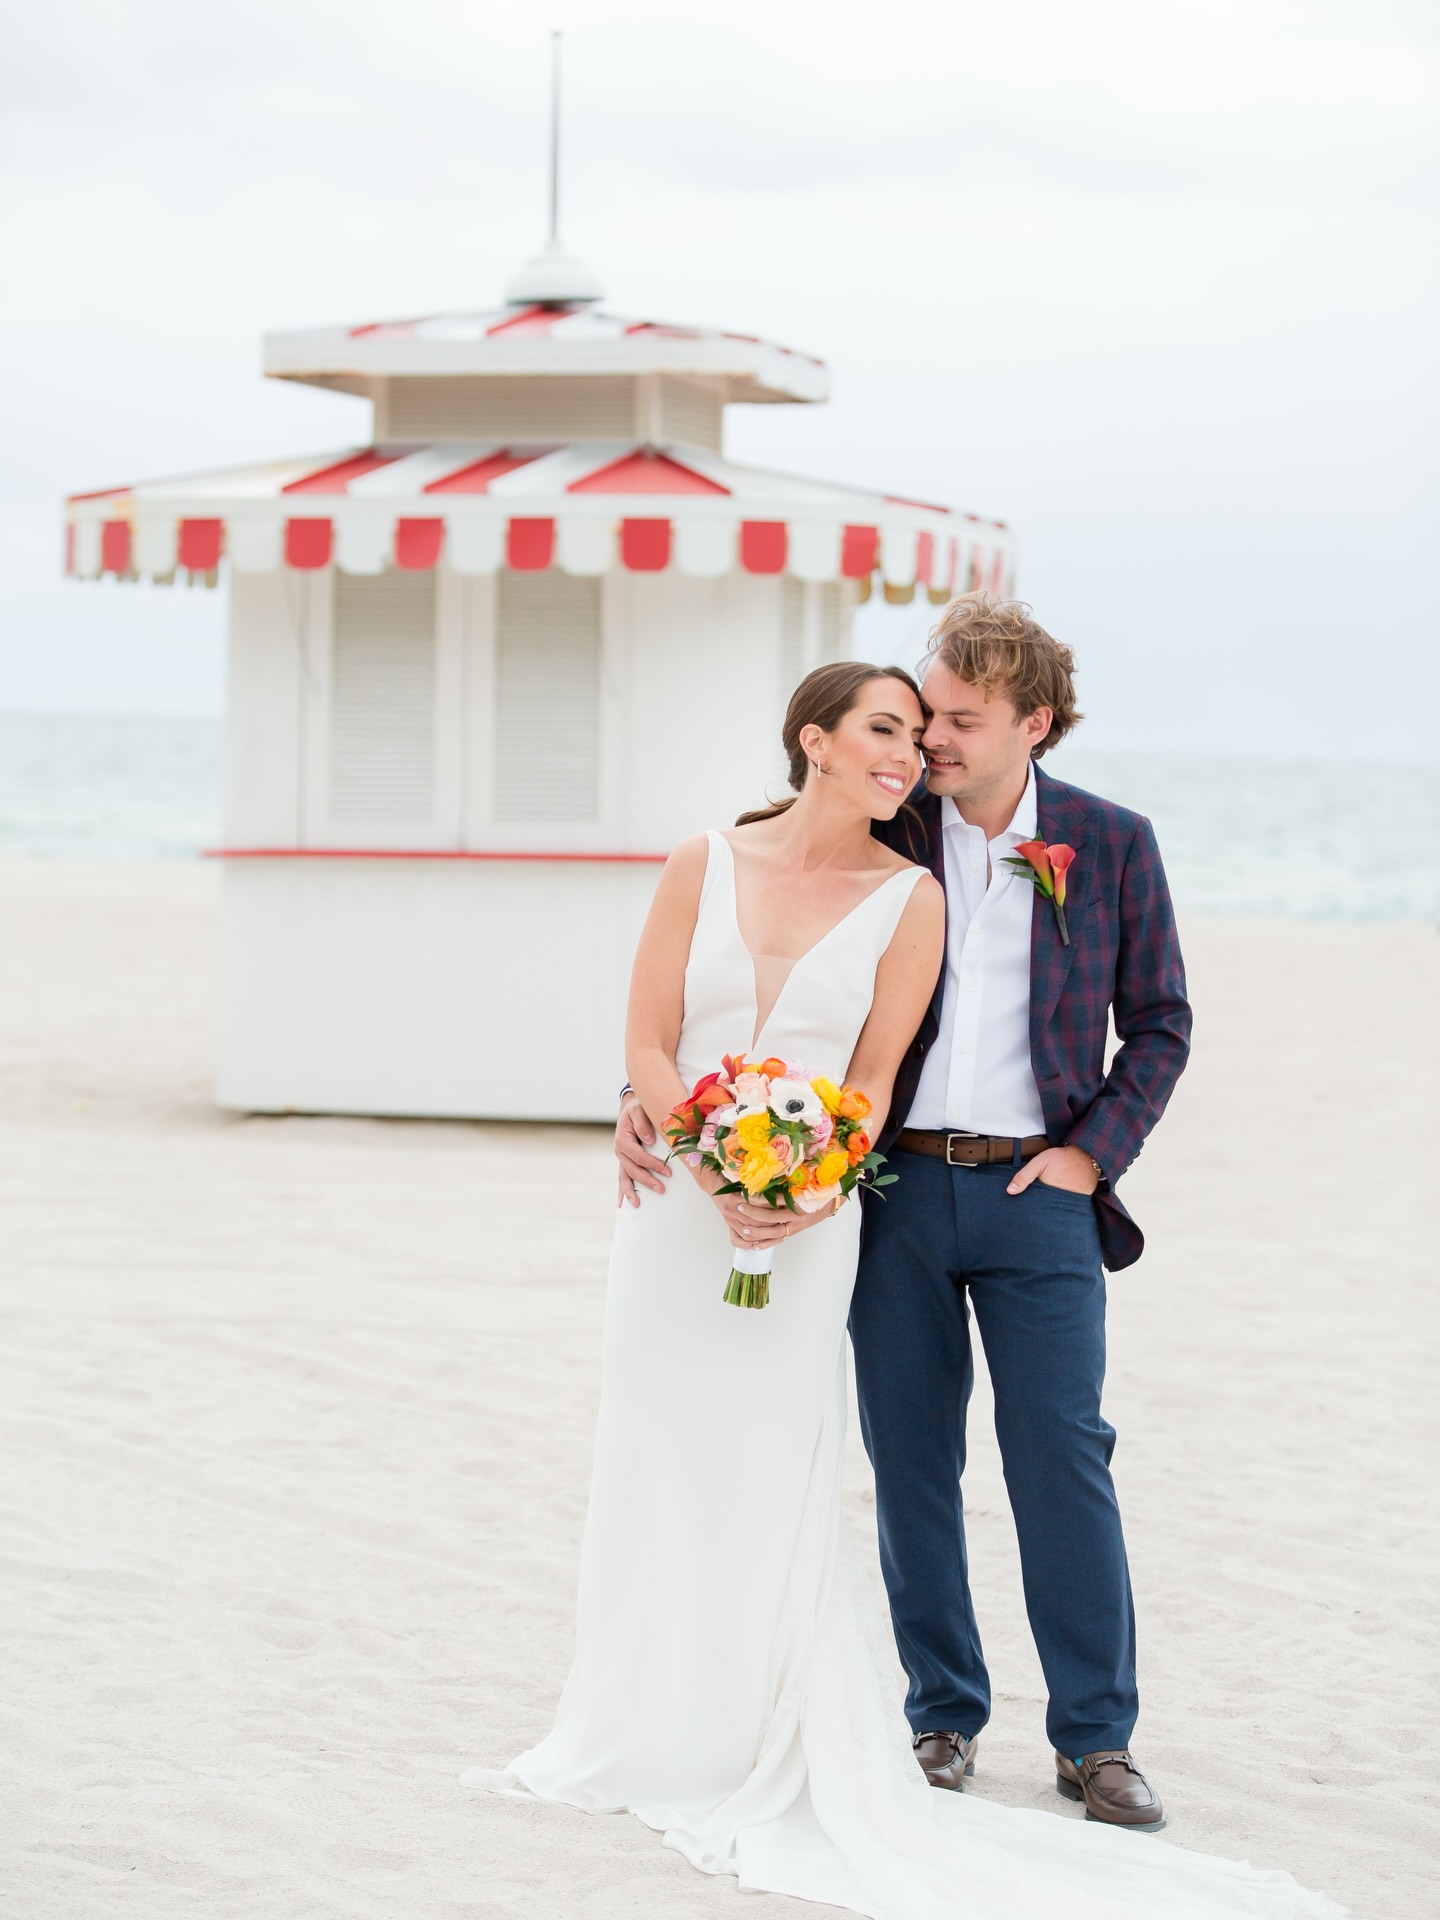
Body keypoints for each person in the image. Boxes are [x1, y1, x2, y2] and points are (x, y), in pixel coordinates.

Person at [468, 648, 1340, 1920]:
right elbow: (753, 952)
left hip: (1036, 1192)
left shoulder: (1108, 840)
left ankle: (1096, 1739)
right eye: (918, 717)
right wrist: (656, 1104)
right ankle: (943, 1718)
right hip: (889, 1192)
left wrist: (1091, 1152)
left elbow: (1160, 1019)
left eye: (957, 719)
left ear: (1032, 723)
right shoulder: (898, 817)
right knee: (910, 1457)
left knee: (1061, 1452)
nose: (927, 739)